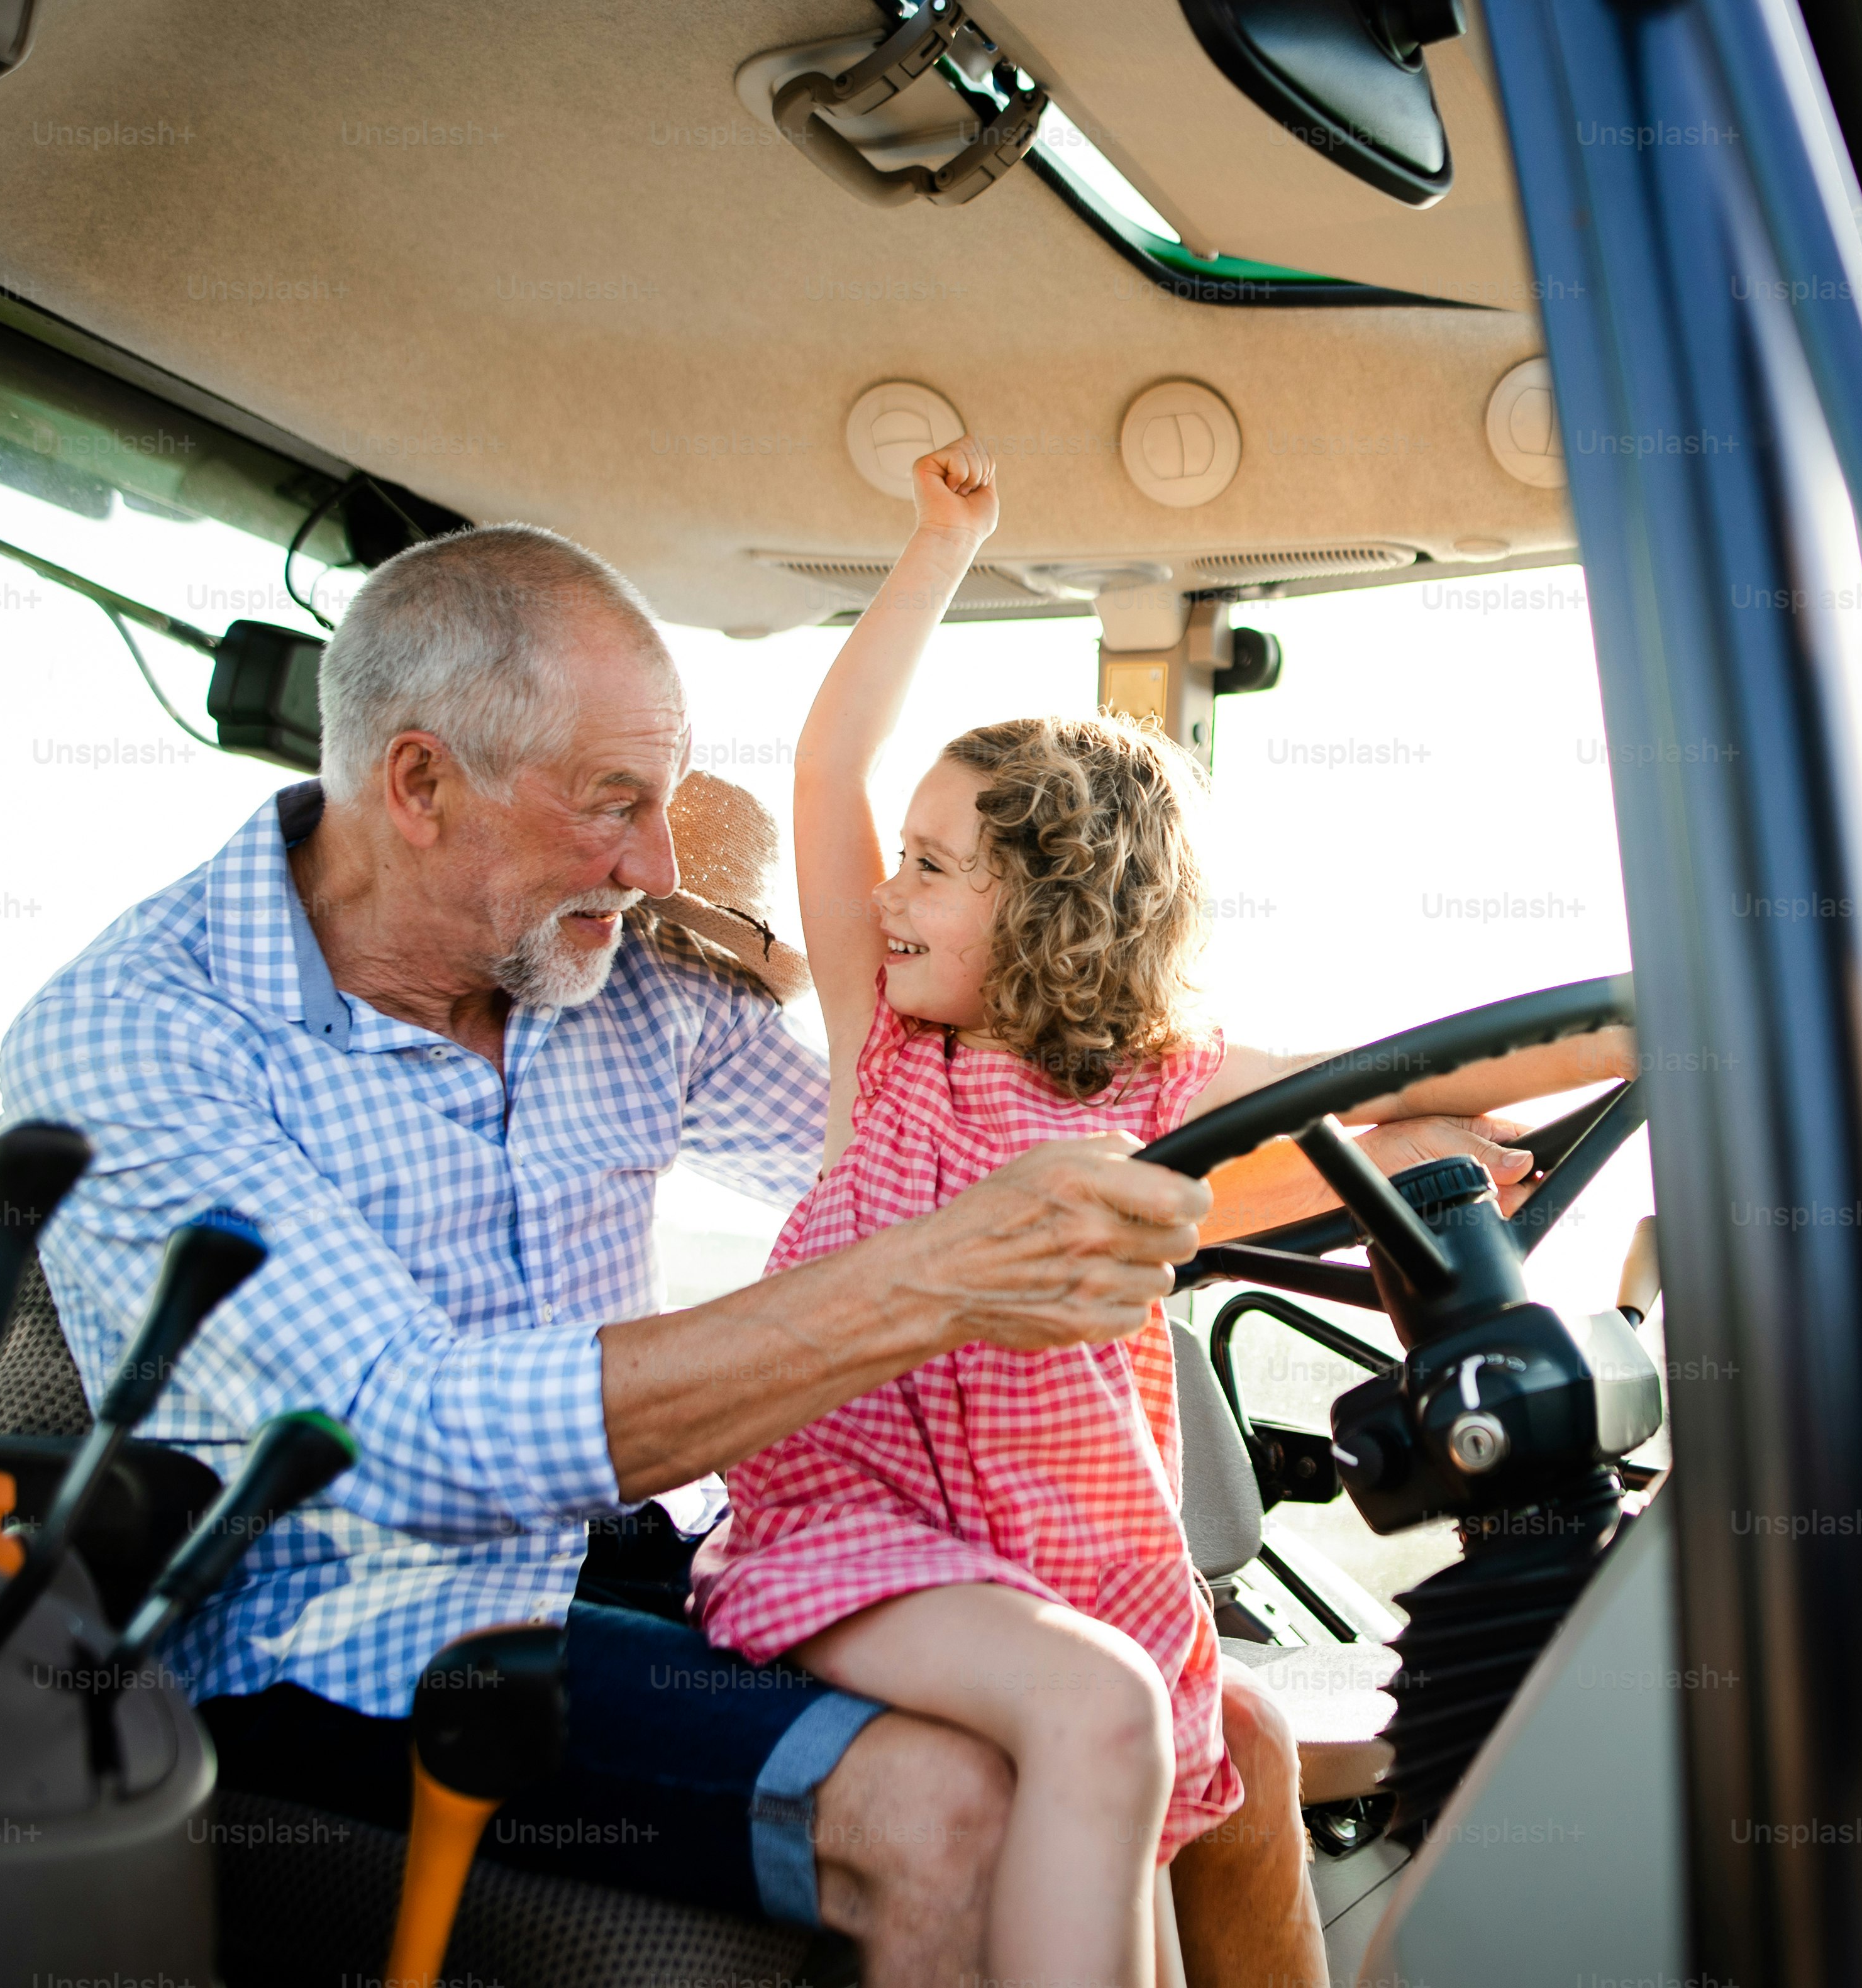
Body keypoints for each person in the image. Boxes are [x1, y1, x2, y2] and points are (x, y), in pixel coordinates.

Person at [0, 512, 1527, 1984]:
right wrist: (937, 1276)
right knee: (954, 1805)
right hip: (354, 1621)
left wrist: (1367, 1163)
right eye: (616, 800)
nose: (663, 865)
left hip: (631, 1569)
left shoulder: (617, 982)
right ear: (419, 782)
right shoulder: (144, 1032)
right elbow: (405, 1430)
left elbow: (928, 1164)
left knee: (1235, 1731)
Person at [692, 438, 1633, 1988]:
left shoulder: (1153, 1096)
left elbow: (1423, 1067)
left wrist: (1649, 1032)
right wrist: (941, 547)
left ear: (1053, 908)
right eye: (904, 859)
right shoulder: (886, 1049)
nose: (885, 893)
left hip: (1068, 1568)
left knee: (1129, 1771)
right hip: (857, 1538)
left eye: (932, 869)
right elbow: (825, 771)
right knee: (1107, 1713)